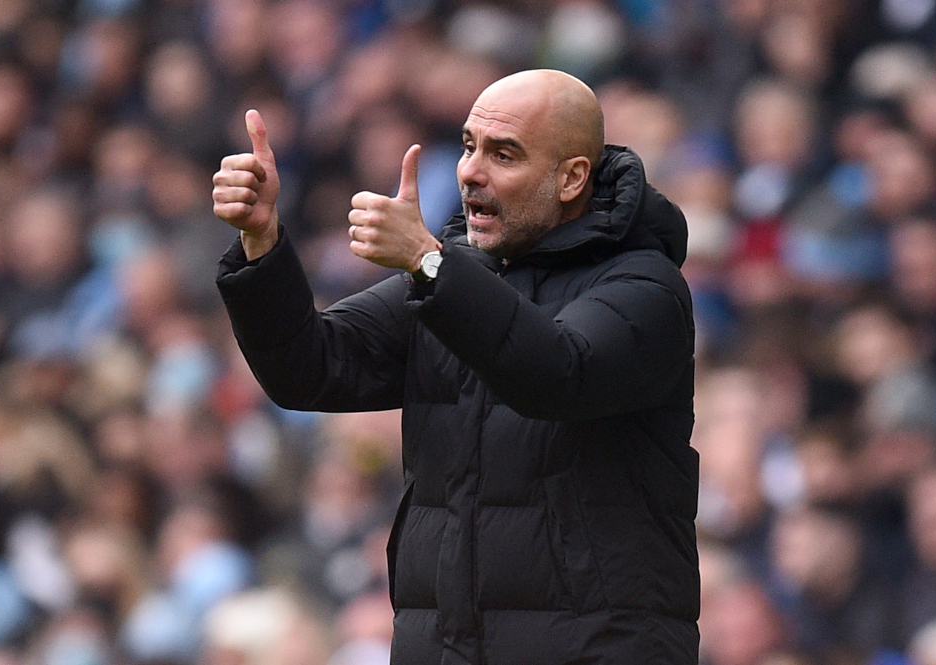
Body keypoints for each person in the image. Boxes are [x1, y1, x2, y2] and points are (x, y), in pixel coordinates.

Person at [212, 69, 699, 664]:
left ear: (571, 178)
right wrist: (263, 240)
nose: (470, 170)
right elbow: (311, 366)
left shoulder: (645, 288)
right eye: (469, 146)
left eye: (504, 154)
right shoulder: (457, 277)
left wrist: (429, 263)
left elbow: (558, 375)